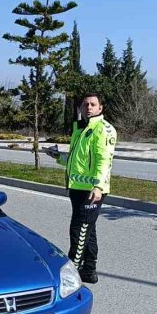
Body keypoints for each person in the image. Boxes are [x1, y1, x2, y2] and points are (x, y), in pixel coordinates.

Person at [45, 93, 117, 284]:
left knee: (78, 231)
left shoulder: (104, 130)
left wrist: (99, 186)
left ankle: (72, 275)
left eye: (93, 104)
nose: (89, 107)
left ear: (100, 108)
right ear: (80, 108)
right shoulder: (80, 129)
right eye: (85, 104)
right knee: (88, 230)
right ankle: (89, 271)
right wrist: (58, 157)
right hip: (77, 188)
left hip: (92, 191)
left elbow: (104, 161)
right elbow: (78, 160)